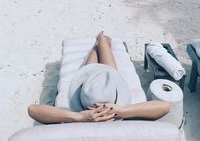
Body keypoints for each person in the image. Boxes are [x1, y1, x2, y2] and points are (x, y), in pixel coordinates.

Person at [28, 32, 170, 124]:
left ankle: (100, 41)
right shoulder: (122, 115)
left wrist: (79, 116)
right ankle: (102, 40)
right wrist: (123, 111)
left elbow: (33, 110)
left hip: (96, 96)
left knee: (96, 62)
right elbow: (165, 106)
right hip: (107, 91)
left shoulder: (77, 119)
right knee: (103, 58)